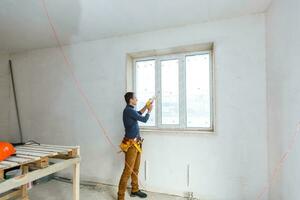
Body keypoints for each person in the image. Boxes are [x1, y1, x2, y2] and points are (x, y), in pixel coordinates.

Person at [118, 92, 153, 200]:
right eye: (135, 98)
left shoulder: (131, 110)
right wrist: (149, 111)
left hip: (137, 144)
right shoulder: (128, 110)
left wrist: (145, 107)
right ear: (130, 100)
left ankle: (135, 189)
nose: (137, 99)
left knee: (135, 169)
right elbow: (144, 119)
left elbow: (138, 113)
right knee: (127, 171)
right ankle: (120, 196)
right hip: (131, 146)